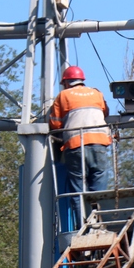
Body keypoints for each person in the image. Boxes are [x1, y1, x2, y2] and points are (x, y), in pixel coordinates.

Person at [49, 65, 111, 227]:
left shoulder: (63, 96)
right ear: (82, 81)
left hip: (76, 146)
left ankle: (83, 226)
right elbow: (105, 112)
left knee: (78, 191)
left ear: (66, 82)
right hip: (99, 143)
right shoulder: (97, 93)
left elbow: (55, 124)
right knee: (99, 188)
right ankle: (99, 223)